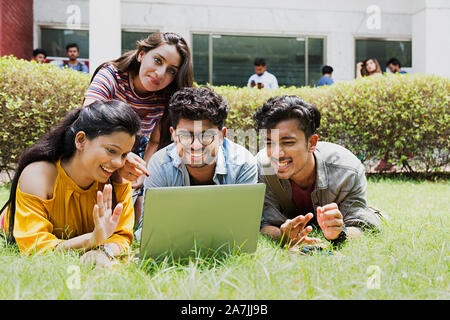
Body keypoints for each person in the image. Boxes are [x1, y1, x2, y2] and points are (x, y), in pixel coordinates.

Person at [0, 100, 141, 268]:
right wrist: (91, 239)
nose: (119, 163)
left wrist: (102, 251)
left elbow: (122, 237)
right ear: (81, 140)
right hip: (17, 222)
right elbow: (34, 248)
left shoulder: (117, 182)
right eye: (111, 150)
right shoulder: (39, 176)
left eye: (125, 154)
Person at [83, 32, 194, 224]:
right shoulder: (112, 74)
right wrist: (120, 157)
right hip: (101, 145)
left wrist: (144, 170)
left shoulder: (166, 94)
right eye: (158, 60)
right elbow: (87, 118)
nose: (161, 74)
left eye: (171, 71)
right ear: (141, 54)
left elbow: (156, 140)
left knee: (147, 201)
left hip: (139, 150)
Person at [253, 95, 384, 248]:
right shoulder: (262, 169)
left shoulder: (346, 170)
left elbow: (363, 226)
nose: (277, 153)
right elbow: (264, 225)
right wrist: (283, 236)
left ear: (312, 143)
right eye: (270, 143)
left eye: (288, 143)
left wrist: (339, 234)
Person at [136, 87, 258, 239]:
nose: (196, 145)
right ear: (174, 135)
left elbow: (245, 230)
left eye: (206, 136)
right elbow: (148, 230)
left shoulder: (243, 164)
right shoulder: (159, 165)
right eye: (186, 136)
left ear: (221, 136)